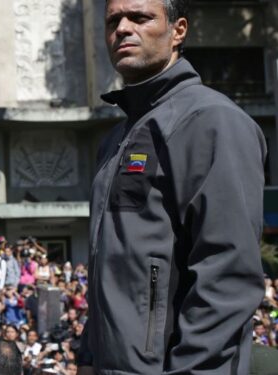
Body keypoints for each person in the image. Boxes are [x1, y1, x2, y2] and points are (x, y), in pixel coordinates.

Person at [82, 0, 266, 373]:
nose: (122, 28)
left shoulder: (212, 121)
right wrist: (87, 357)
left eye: (140, 17)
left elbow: (227, 274)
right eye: (113, 20)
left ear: (178, 30)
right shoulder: (116, 138)